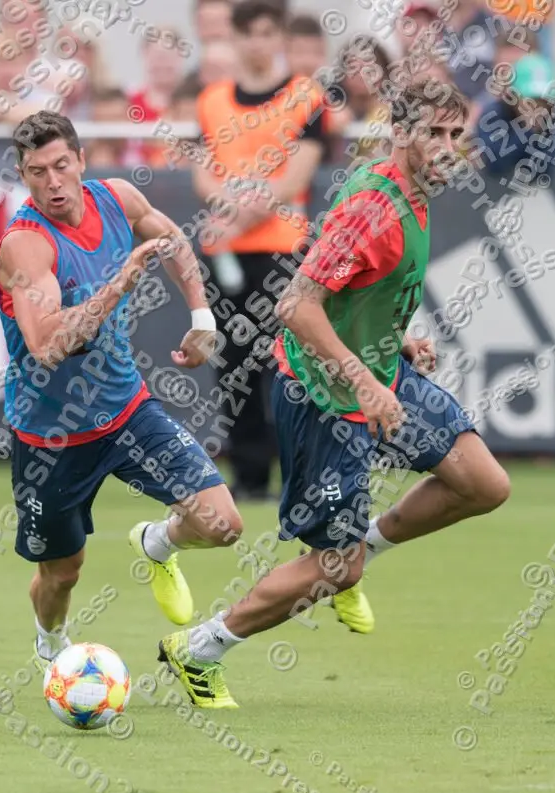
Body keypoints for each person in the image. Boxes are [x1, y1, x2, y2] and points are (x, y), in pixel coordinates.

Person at [157, 79, 512, 708]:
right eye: (434, 132)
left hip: (375, 375)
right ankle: (200, 649)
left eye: (457, 134)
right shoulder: (375, 208)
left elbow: (354, 289)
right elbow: (295, 306)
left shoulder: (408, 188)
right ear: (400, 134)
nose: (448, 146)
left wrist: (395, 344)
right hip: (323, 395)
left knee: (483, 484)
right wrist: (364, 379)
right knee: (333, 568)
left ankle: (359, 542)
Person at [0, 110, 246, 665]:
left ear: (82, 160)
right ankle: (52, 644)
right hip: (50, 436)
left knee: (222, 523)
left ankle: (157, 543)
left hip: (127, 410)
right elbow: (47, 346)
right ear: (23, 175)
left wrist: (202, 316)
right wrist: (119, 284)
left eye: (62, 165)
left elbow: (173, 238)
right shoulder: (26, 245)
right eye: (37, 172)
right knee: (62, 574)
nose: (53, 181)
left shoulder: (117, 199)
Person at [192, 0, 326, 502]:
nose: (257, 43)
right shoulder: (213, 100)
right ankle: (249, 476)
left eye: (267, 33)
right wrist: (225, 202)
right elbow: (203, 167)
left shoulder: (306, 96)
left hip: (282, 249)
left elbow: (300, 170)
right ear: (235, 38)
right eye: (247, 34)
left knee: (291, 362)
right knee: (233, 363)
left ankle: (303, 473)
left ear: (279, 38)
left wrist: (250, 209)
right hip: (225, 250)